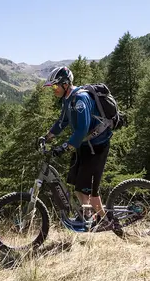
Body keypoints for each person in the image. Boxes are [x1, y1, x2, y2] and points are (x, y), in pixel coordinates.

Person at [39, 66, 112, 226]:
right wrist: (47, 137)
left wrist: (65, 147)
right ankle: (87, 216)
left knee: (91, 191)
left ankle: (106, 222)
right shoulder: (67, 99)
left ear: (65, 84)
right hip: (84, 145)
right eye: (53, 87)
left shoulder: (80, 99)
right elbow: (62, 122)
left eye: (56, 86)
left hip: (97, 146)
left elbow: (82, 129)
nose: (54, 90)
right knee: (78, 185)